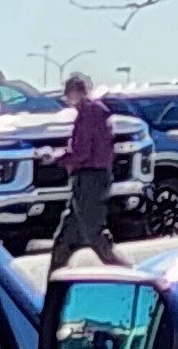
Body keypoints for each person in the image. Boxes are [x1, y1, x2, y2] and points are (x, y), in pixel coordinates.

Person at [49, 70, 126, 268]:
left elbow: (83, 152)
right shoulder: (95, 112)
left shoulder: (89, 114)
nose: (67, 98)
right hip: (91, 177)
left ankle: (126, 271)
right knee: (65, 237)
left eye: (69, 93)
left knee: (94, 233)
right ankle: (52, 286)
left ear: (77, 92)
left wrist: (57, 158)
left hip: (90, 179)